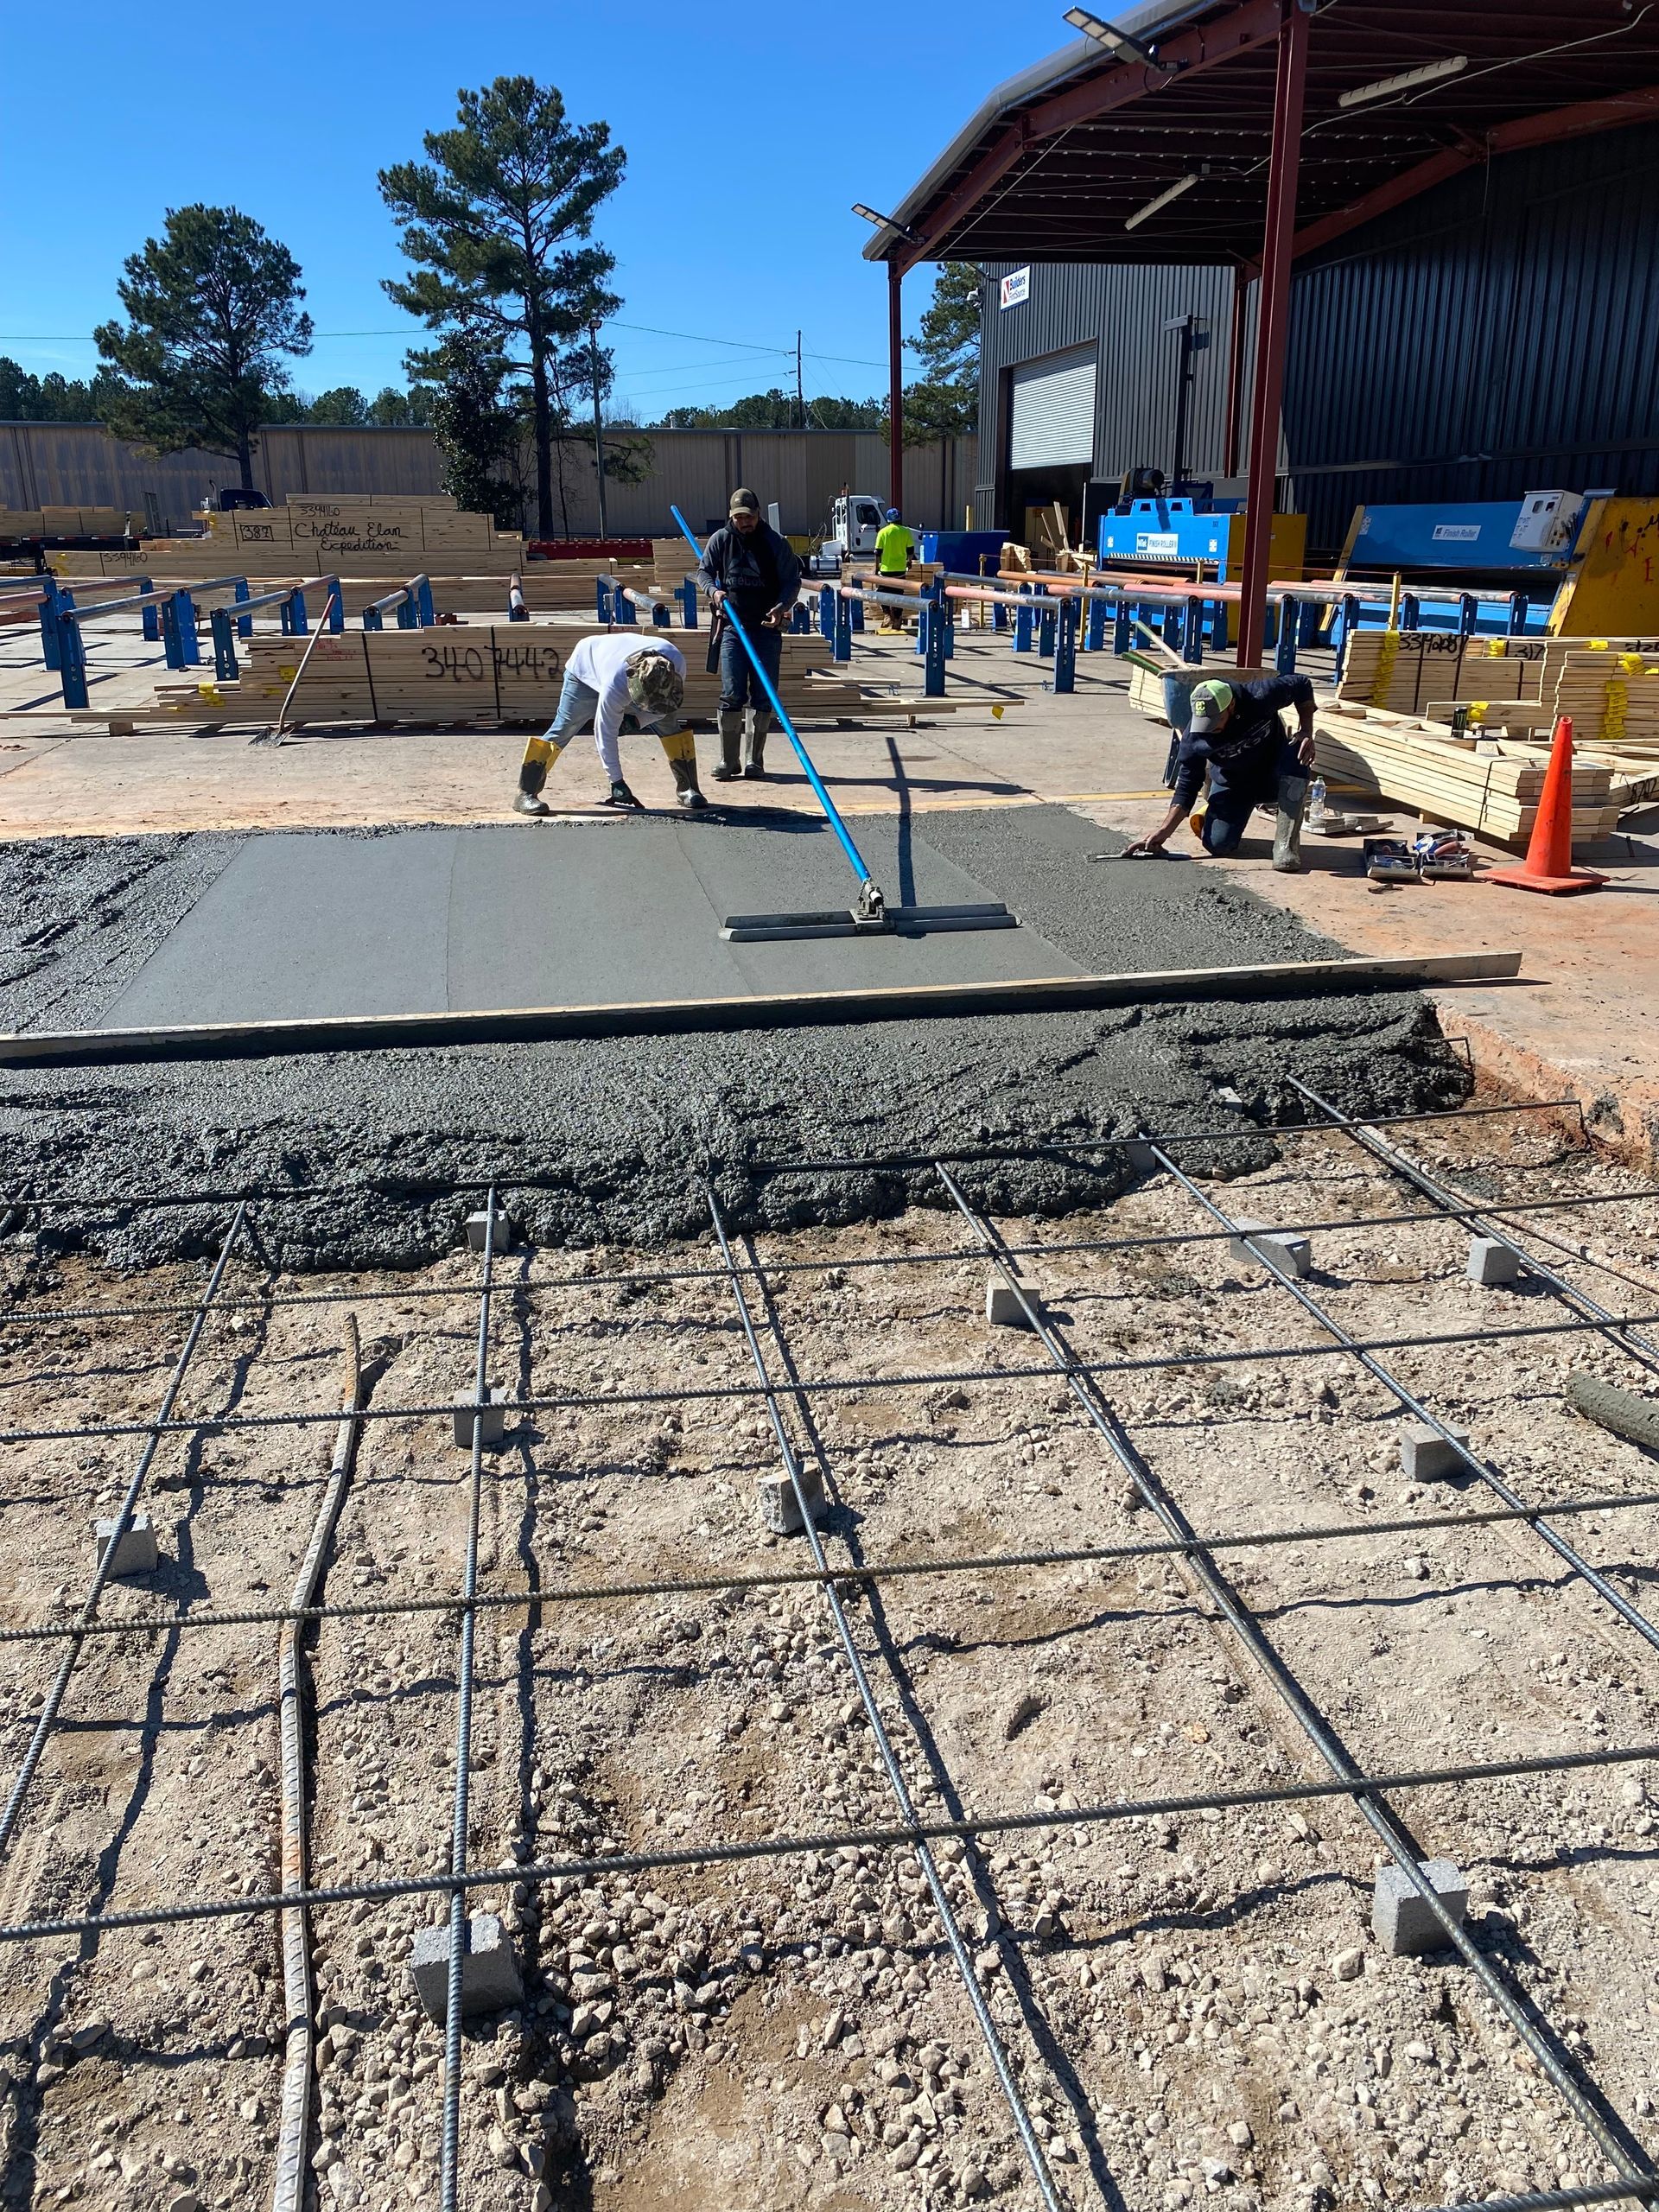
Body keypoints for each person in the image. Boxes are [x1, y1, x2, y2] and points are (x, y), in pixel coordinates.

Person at [1122, 672, 1317, 872]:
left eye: (1216, 719)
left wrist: (1306, 731)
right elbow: (1187, 786)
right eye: (1205, 721)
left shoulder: (1259, 696)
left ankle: (1286, 847)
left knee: (1298, 749)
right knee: (1218, 845)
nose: (1210, 727)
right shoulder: (1194, 739)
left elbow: (1301, 684)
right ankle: (1216, 809)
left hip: (1275, 775)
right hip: (1234, 785)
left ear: (1231, 706)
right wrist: (1163, 832)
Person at [513, 632, 704, 817]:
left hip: (610, 660)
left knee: (669, 725)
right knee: (564, 727)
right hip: (584, 669)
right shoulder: (616, 684)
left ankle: (688, 789)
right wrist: (616, 781)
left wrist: (637, 721)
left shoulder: (675, 664)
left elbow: (665, 708)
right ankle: (525, 793)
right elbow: (605, 733)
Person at [696, 487, 802, 780]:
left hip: (766, 630)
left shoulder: (774, 543)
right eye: (738, 517)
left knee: (763, 696)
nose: (744, 522)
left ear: (758, 515)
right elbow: (703, 572)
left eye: (749, 517)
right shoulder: (722, 539)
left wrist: (781, 607)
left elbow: (792, 580)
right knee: (731, 694)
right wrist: (714, 591)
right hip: (732, 627)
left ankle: (754, 761)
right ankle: (728, 762)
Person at [873, 505, 915, 633]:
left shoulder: (883, 532)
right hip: (900, 571)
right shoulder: (906, 531)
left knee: (881, 594)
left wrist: (876, 568)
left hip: (885, 570)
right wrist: (909, 561)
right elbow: (910, 551)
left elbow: (878, 553)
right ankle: (897, 619)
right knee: (898, 596)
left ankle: (887, 614)